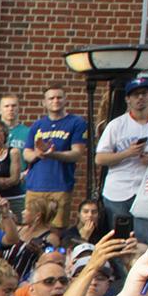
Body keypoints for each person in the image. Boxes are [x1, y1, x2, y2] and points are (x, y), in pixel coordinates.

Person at [93, 76, 148, 240]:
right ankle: (122, 267)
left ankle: (142, 266)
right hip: (118, 190)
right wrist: (128, 153)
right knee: (119, 238)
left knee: (144, 237)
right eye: (135, 94)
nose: (140, 98)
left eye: (144, 93)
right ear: (128, 99)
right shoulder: (116, 125)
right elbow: (100, 158)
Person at [21, 85, 89, 233]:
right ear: (44, 103)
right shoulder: (37, 125)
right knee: (30, 228)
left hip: (60, 186)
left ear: (65, 100)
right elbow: (26, 153)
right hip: (35, 186)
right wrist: (38, 154)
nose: (55, 101)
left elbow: (77, 153)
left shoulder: (76, 123)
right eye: (51, 98)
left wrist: (52, 154)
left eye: (59, 97)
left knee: (56, 230)